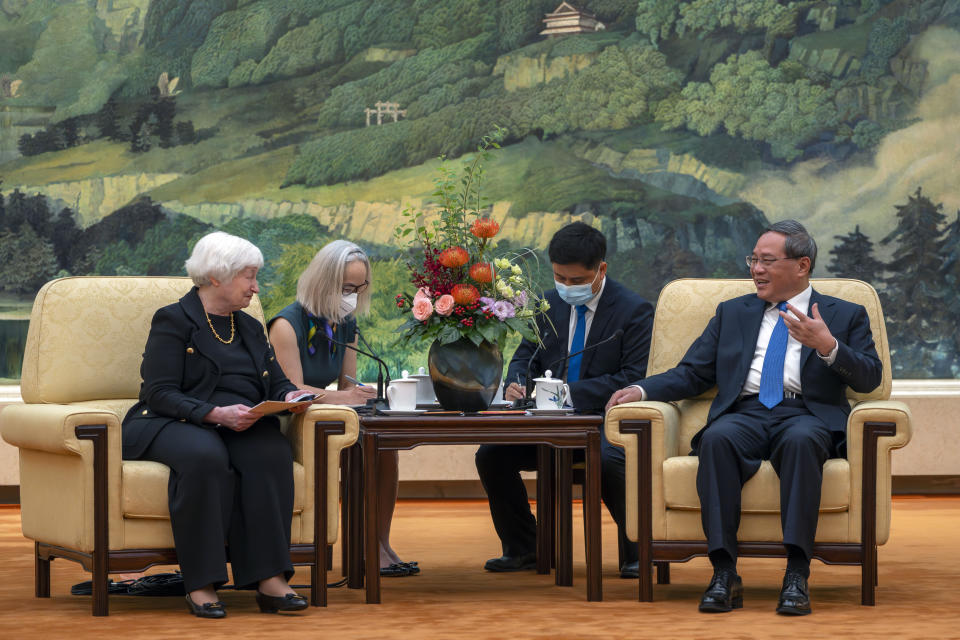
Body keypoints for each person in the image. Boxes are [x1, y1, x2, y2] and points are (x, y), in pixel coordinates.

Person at [607, 220, 882, 615]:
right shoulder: (733, 312)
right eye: (753, 259)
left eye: (767, 260)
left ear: (802, 265)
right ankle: (723, 573)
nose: (756, 269)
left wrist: (828, 345)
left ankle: (796, 574)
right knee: (717, 439)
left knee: (803, 441)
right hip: (746, 411)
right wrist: (642, 389)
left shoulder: (845, 315)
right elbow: (693, 372)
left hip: (805, 413)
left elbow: (871, 378)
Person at [122, 231, 314, 618]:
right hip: (174, 419)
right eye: (249, 276)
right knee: (205, 457)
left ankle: (270, 578)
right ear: (216, 277)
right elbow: (158, 392)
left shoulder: (249, 326)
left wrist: (291, 398)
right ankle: (200, 583)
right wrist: (214, 414)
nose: (255, 287)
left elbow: (275, 381)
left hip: (241, 420)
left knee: (270, 452)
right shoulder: (174, 320)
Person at [475, 222, 654, 578]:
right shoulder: (548, 304)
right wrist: (516, 382)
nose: (567, 287)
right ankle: (525, 547)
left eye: (577, 281)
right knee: (491, 454)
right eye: (561, 278)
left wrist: (567, 393)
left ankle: (637, 550)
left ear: (601, 269)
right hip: (548, 421)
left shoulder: (633, 311)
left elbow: (631, 378)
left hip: (601, 421)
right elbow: (526, 356)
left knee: (608, 459)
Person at [268, 240, 415, 578]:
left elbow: (346, 384)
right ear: (324, 282)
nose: (352, 295)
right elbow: (293, 391)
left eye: (358, 288)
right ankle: (367, 547)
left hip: (327, 415)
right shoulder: (286, 325)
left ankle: (378, 543)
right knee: (366, 448)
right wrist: (346, 399)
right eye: (346, 288)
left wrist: (362, 391)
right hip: (292, 423)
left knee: (383, 448)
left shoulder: (345, 323)